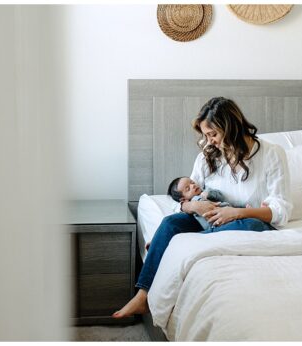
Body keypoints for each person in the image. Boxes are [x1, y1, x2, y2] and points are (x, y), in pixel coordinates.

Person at [113, 97, 292, 319]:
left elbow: (281, 211)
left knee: (254, 224)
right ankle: (142, 297)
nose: (209, 141)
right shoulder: (208, 157)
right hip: (208, 221)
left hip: (244, 222)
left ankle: (183, 242)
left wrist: (237, 212)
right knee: (170, 223)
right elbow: (186, 200)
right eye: (206, 135)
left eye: (213, 134)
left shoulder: (272, 154)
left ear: (231, 127)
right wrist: (194, 205)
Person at [167, 176, 233, 231]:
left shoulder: (206, 190)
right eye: (188, 189)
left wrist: (209, 194)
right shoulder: (192, 204)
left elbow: (220, 196)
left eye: (192, 182)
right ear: (184, 199)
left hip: (228, 212)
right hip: (214, 226)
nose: (193, 185)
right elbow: (174, 207)